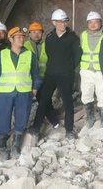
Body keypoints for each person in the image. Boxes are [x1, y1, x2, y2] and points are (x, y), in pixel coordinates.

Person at [30, 9, 82, 139]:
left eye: (64, 21)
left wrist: (70, 69)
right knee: (43, 101)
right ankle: (36, 128)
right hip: (51, 74)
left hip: (66, 75)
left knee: (68, 102)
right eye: (59, 22)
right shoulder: (49, 37)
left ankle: (69, 130)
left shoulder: (72, 38)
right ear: (54, 22)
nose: (62, 24)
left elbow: (78, 55)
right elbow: (49, 53)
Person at [0, 27, 41, 160]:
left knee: (22, 119)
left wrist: (35, 89)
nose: (21, 39)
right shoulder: (1, 55)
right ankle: (3, 148)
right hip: (5, 92)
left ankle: (15, 146)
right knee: (3, 119)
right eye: (18, 37)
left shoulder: (30, 55)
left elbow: (35, 74)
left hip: (24, 92)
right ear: (10, 39)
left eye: (22, 36)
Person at [79, 11, 103, 128]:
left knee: (102, 95)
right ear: (87, 23)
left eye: (96, 22)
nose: (93, 24)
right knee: (86, 94)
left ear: (100, 23)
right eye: (91, 22)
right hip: (86, 70)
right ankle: (90, 117)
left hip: (100, 71)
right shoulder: (83, 35)